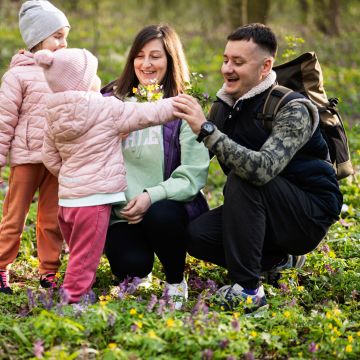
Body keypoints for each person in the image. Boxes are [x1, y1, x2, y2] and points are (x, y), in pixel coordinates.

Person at [173, 23, 343, 311]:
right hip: (266, 210)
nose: (227, 69)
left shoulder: (293, 108)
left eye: (238, 62)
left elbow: (261, 169)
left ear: (265, 66)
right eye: (226, 59)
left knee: (244, 179)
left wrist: (206, 129)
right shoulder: (226, 105)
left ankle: (248, 290)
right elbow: (194, 161)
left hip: (309, 213)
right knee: (197, 235)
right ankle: (276, 259)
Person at [35, 47, 180, 304]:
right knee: (85, 257)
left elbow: (49, 157)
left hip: (67, 202)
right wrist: (178, 103)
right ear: (85, 81)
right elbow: (148, 114)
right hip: (94, 201)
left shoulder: (52, 113)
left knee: (78, 251)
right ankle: (74, 301)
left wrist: (71, 175)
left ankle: (78, 290)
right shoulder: (107, 108)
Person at [102, 25, 209, 309]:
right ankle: (140, 271)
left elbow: (192, 175)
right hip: (121, 213)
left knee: (161, 215)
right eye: (139, 56)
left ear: (171, 60)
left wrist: (150, 195)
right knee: (130, 264)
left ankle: (175, 280)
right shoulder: (110, 101)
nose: (146, 64)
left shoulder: (183, 108)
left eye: (155, 57)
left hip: (165, 208)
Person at [0, 0, 70, 294]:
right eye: (57, 37)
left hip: (56, 160)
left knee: (52, 218)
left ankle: (49, 271)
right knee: (15, 215)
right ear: (37, 38)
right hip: (26, 158)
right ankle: (1, 265)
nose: (64, 44)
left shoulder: (66, 72)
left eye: (66, 36)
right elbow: (4, 120)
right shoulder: (17, 75)